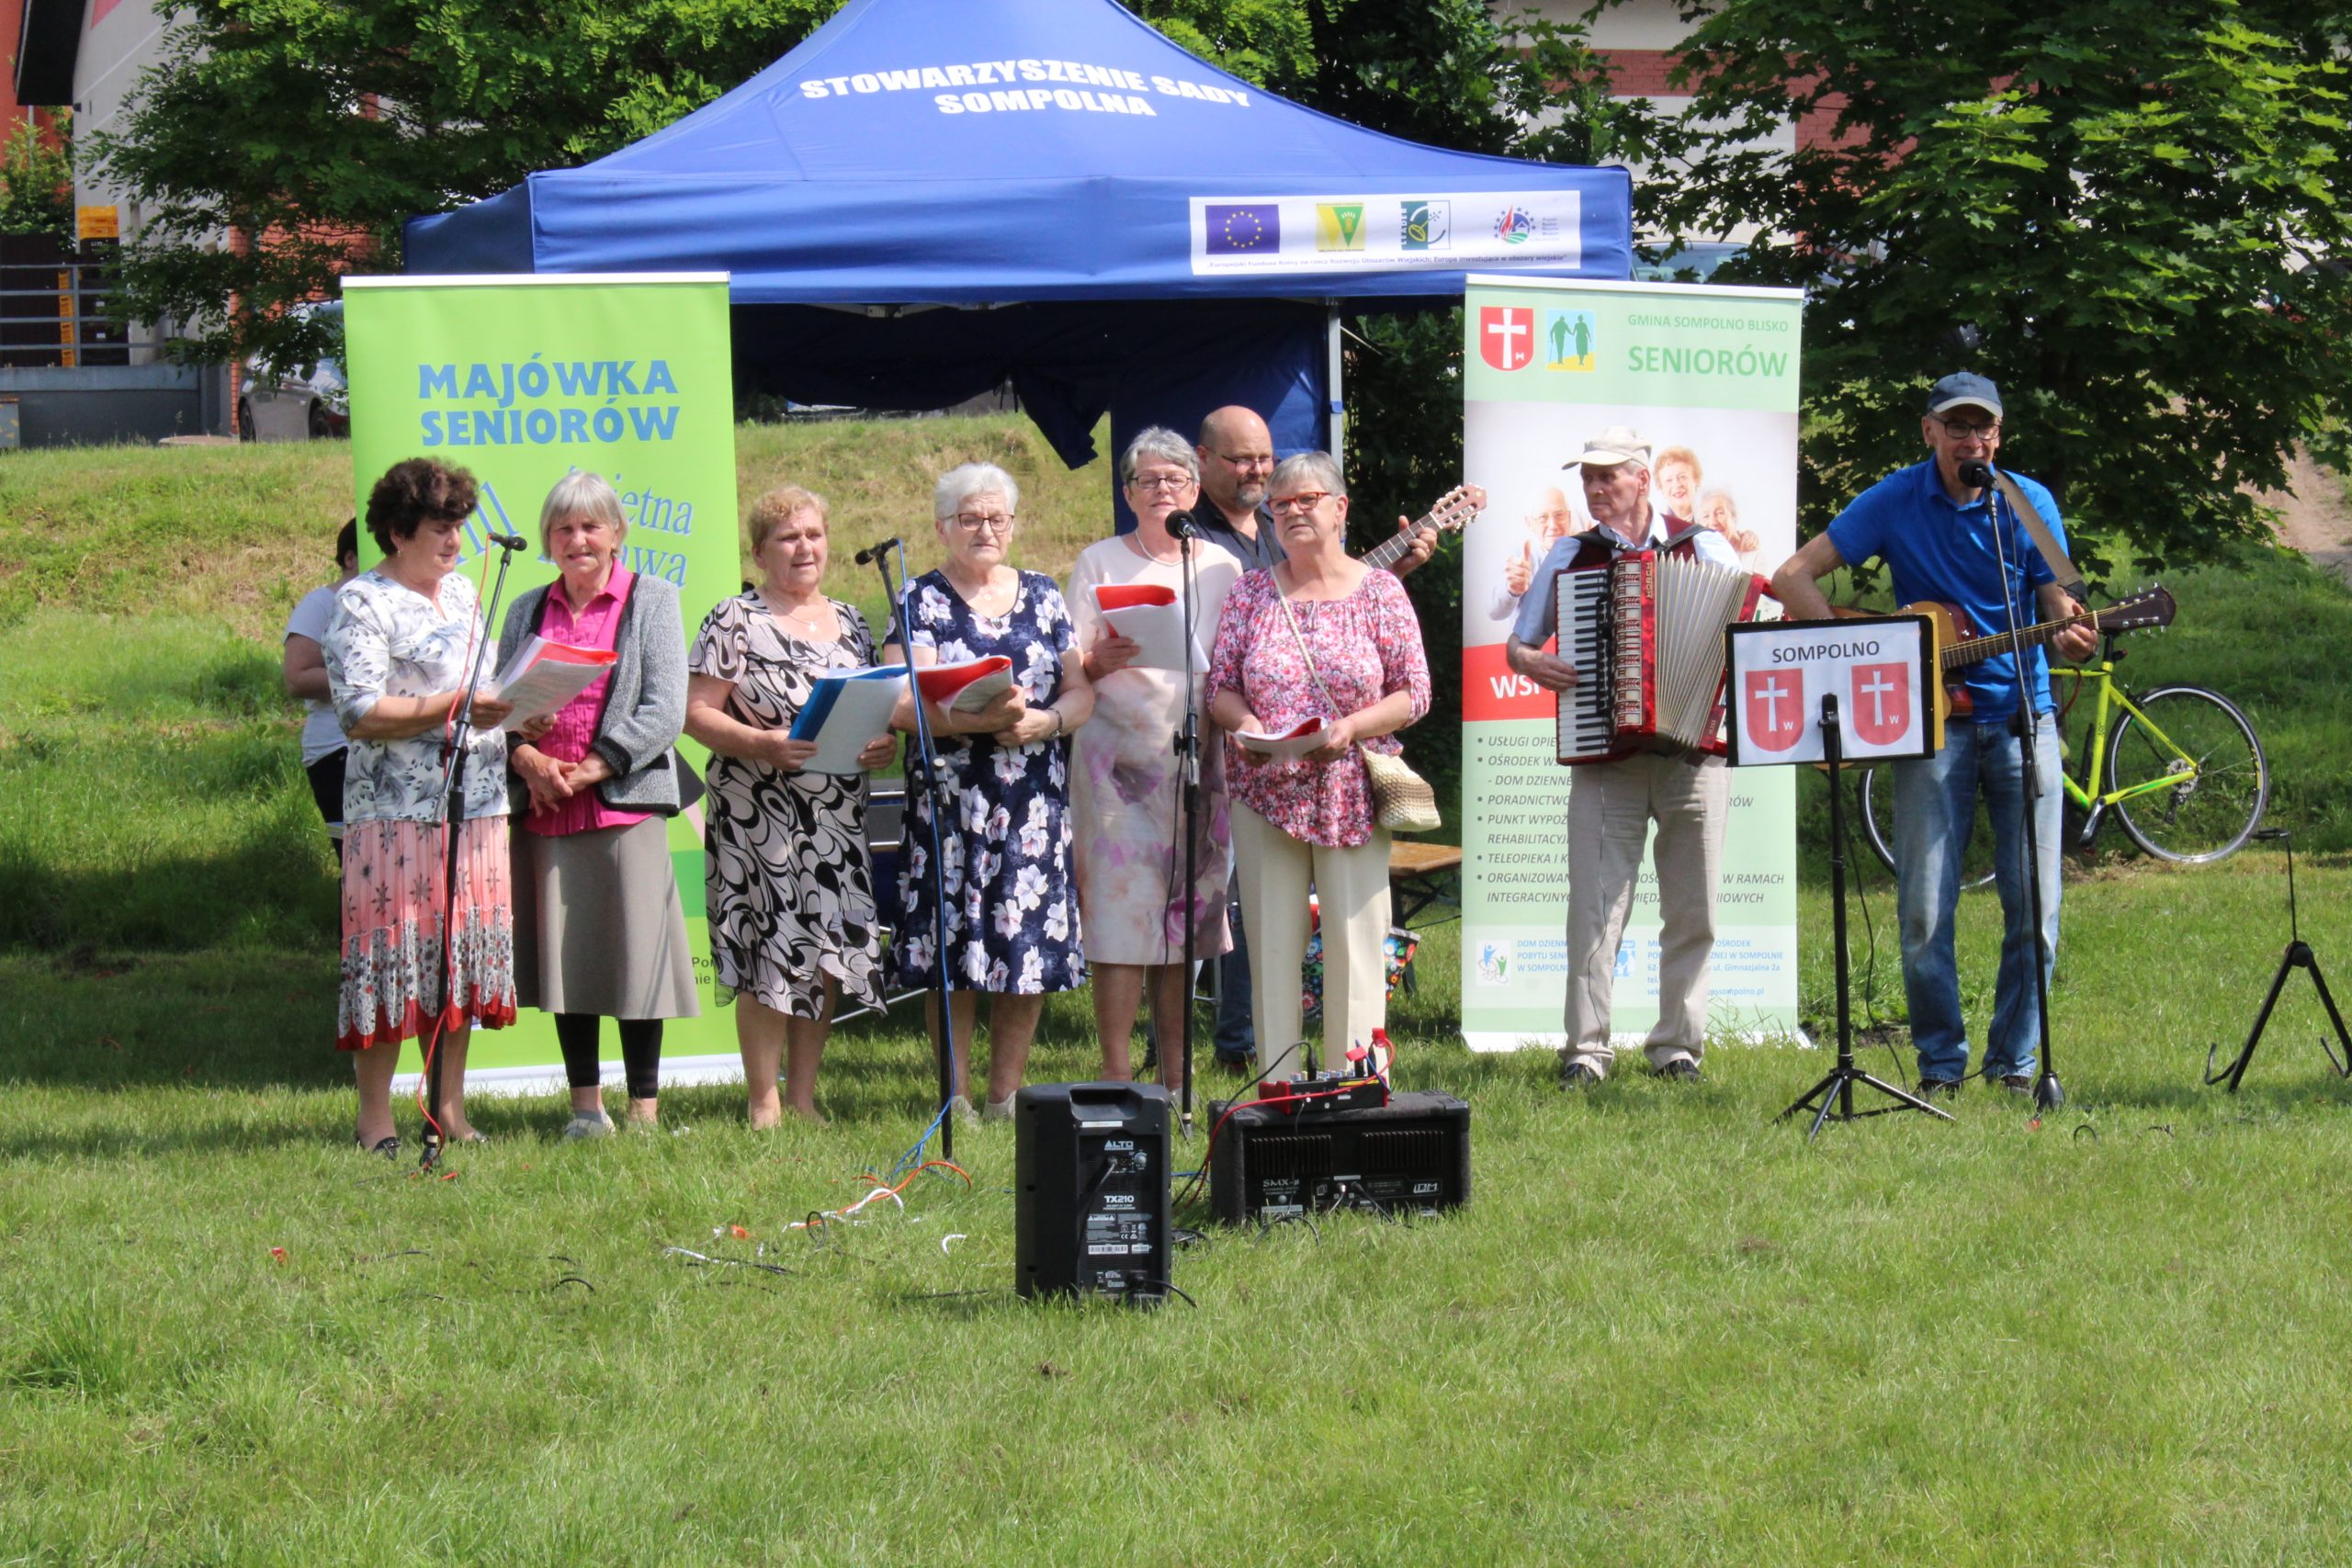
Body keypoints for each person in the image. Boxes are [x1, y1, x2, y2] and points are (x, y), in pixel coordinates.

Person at [1772, 372, 2096, 1097]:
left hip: (2023, 718)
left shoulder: (2027, 502)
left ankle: (2014, 1063)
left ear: (1999, 437)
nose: (1971, 440)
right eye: (1957, 427)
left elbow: (2056, 597)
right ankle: (1940, 1067)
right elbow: (1792, 575)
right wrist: (1850, 655)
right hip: (1932, 728)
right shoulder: (1894, 497)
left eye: (1983, 429)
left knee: (2036, 911)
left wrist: (2070, 632)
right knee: (1922, 911)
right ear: (1930, 433)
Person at [1188, 404, 1435, 1068]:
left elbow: (1414, 692)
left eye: (1307, 499)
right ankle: (1278, 1078)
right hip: (1264, 786)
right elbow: (1221, 689)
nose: (1292, 512)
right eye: (1279, 504)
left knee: (1357, 939)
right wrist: (1249, 728)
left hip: (1350, 785)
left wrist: (1351, 727)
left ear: (1340, 508)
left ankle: (1350, 1077)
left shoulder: (1381, 592)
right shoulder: (1249, 595)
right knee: (1271, 940)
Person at [1504, 426, 1741, 1087]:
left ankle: (1678, 1046)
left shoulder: (1706, 546)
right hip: (1604, 749)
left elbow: (1751, 628)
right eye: (1588, 478)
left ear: (1642, 477)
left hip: (1696, 750)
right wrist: (1534, 662)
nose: (1596, 488)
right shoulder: (1570, 555)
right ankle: (1586, 1049)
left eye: (1609, 476)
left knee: (1695, 906)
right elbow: (1518, 644)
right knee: (1595, 904)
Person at [325, 458, 523, 1154]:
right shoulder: (363, 601)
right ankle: (375, 1117)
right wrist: (453, 706)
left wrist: (521, 712)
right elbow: (358, 710)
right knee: (393, 958)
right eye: (442, 527)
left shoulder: (467, 593)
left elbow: (485, 686)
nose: (455, 539)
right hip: (396, 813)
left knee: (458, 958)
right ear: (399, 530)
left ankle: (450, 1107)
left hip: (477, 803)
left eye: (460, 525)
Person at [887, 462, 1093, 1123]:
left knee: (1024, 944)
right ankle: (956, 1096)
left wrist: (1046, 721)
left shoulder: (1043, 593)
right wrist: (974, 721)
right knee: (954, 952)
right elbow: (898, 701)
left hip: (1032, 797)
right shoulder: (919, 599)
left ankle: (1006, 1094)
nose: (984, 528)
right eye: (969, 517)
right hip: (953, 798)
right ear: (942, 527)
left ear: (1013, 525)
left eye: (996, 517)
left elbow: (1081, 690)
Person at [684, 486, 897, 1127]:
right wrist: (759, 744)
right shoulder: (735, 618)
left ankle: (803, 1096)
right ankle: (763, 1100)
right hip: (759, 814)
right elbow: (694, 713)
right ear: (759, 550)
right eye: (787, 537)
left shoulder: (853, 621)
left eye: (813, 534)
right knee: (769, 953)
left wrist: (880, 744)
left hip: (835, 815)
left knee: (827, 951)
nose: (804, 547)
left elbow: (870, 703)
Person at [499, 470, 700, 1139]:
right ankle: (585, 1108)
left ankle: (644, 1108)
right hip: (544, 804)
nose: (578, 538)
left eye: (591, 525)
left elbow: (665, 709)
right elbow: (499, 708)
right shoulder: (525, 608)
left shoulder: (655, 599)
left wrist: (589, 769)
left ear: (617, 532)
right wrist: (527, 761)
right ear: (549, 540)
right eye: (564, 527)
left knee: (637, 953)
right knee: (568, 959)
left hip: (622, 801)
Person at [1067, 427, 1243, 1084]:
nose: (1162, 489)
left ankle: (1176, 1081)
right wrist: (1093, 658)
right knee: (1117, 925)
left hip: (1198, 761)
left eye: (1174, 479)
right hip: (1114, 766)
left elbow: (1240, 661)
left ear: (1195, 490)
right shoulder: (1100, 561)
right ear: (1128, 492)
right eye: (1148, 480)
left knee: (1183, 927)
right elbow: (1068, 665)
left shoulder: (1222, 565)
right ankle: (1116, 1077)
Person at [284, 519, 360, 864]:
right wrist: (366, 681)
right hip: (336, 748)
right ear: (349, 558)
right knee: (358, 864)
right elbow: (297, 678)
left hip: (396, 746)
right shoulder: (320, 603)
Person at [1486, 486, 1582, 626]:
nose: (1553, 525)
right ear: (1529, 523)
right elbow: (1494, 612)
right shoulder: (1520, 558)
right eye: (1543, 518)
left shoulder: (1586, 553)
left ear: (1569, 517)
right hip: (1532, 646)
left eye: (1559, 515)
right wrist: (1512, 590)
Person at [1655, 445, 1703, 533]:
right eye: (1669, 480)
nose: (1676, 485)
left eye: (1682, 477)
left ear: (1696, 480)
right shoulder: (1657, 527)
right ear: (1661, 488)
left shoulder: (1710, 521)